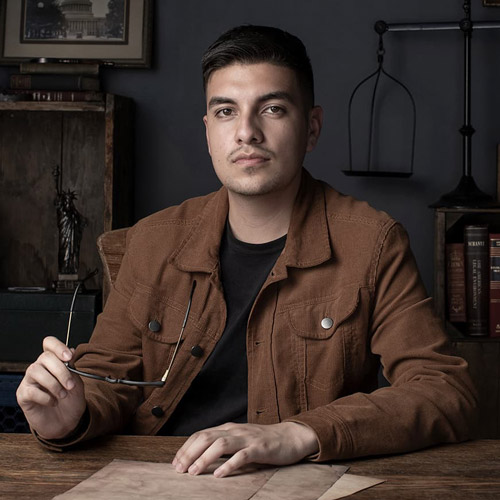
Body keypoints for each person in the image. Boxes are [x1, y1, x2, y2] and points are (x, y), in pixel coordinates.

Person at [17, 25, 477, 479]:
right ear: (208, 131)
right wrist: (69, 416)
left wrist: (297, 433)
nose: (246, 132)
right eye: (225, 112)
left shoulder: (373, 242)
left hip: (298, 481)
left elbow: (443, 391)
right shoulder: (152, 240)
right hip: (160, 478)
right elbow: (105, 379)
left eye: (272, 109)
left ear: (312, 128)